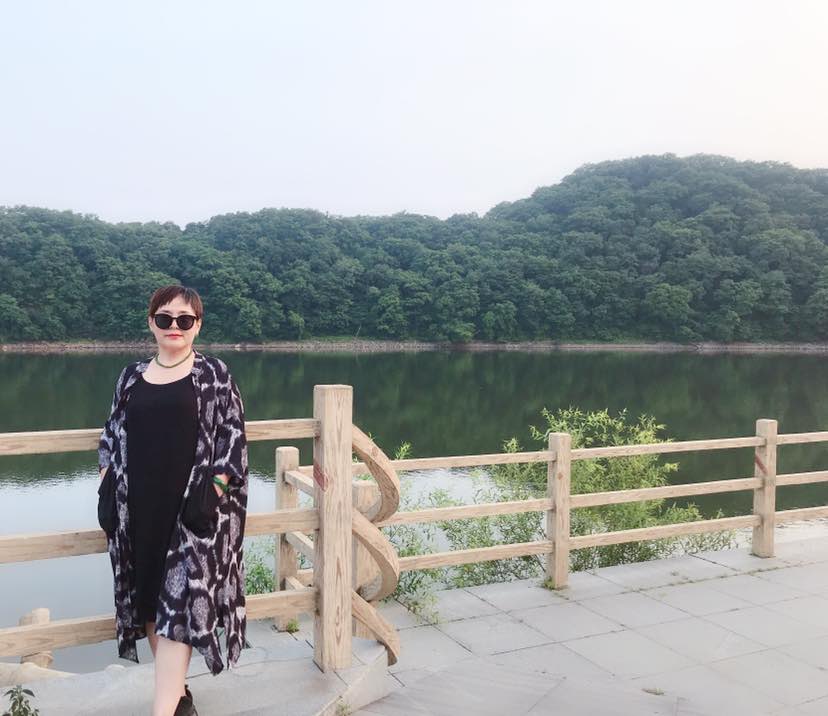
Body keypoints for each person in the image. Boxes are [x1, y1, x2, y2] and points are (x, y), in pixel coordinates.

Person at [97, 285, 250, 716]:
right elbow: (110, 436)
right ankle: (179, 698)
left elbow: (233, 440)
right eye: (165, 318)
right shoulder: (130, 377)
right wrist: (107, 485)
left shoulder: (214, 373)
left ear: (197, 325)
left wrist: (212, 492)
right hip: (138, 511)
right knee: (150, 604)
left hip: (190, 514)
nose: (174, 327)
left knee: (178, 609)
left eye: (185, 319)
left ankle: (162, 709)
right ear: (152, 323)